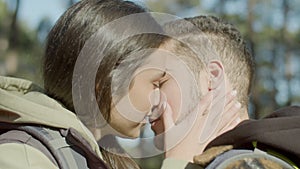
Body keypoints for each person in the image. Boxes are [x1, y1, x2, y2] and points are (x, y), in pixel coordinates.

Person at [0, 1, 240, 169]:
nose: (159, 101)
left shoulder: (106, 157)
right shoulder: (23, 157)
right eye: (156, 82)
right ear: (105, 81)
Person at [156, 15, 300, 168]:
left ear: (212, 77)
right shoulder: (270, 154)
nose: (148, 101)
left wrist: (175, 164)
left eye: (159, 83)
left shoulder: (250, 164)